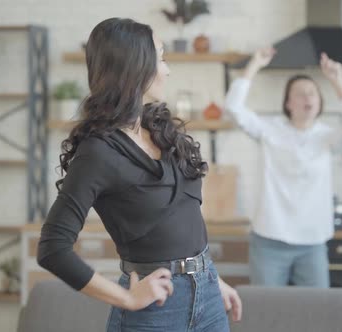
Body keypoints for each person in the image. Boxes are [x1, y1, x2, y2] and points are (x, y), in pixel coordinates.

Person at [37, 18, 241, 332]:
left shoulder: (160, 129)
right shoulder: (98, 152)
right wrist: (125, 298)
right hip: (156, 311)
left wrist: (208, 278)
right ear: (136, 66)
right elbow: (53, 248)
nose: (168, 69)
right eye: (161, 58)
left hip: (209, 297)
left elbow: (183, 221)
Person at [224, 47, 342, 287]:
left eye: (312, 93)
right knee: (268, 316)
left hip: (312, 243)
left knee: (316, 315)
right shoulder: (269, 130)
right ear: (288, 103)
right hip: (269, 240)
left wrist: (338, 81)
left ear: (319, 102)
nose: (308, 98)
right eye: (300, 94)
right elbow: (233, 108)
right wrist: (254, 65)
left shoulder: (328, 137)